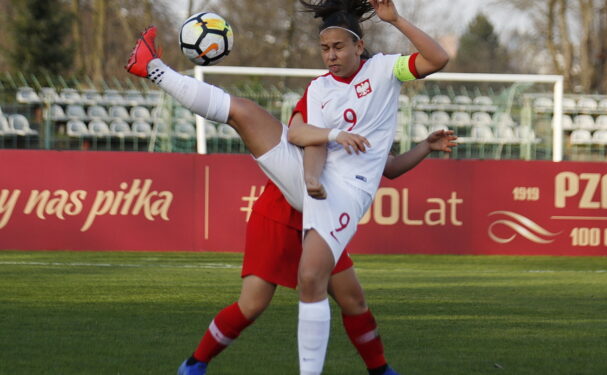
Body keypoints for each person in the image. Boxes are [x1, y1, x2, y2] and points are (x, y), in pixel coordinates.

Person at [125, 0, 448, 373]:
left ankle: (380, 370)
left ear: (359, 46)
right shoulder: (319, 89)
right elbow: (300, 135)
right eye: (325, 49)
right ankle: (152, 67)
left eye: (338, 47)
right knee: (243, 113)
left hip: (337, 193)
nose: (330, 55)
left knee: (348, 297)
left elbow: (436, 60)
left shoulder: (385, 70)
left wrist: (395, 21)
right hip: (301, 191)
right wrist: (318, 164)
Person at [176, 129, 457, 375]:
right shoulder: (324, 98)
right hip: (279, 216)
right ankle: (194, 364)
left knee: (354, 301)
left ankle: (380, 369)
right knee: (252, 304)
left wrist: (425, 147)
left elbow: (390, 166)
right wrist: (329, 137)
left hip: (323, 220)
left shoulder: (368, 115)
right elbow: (300, 136)